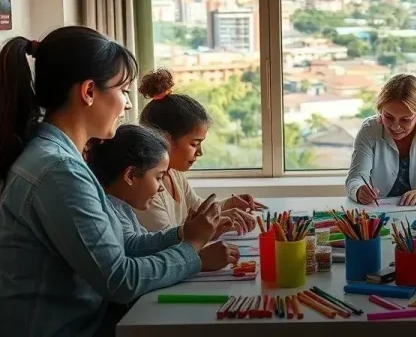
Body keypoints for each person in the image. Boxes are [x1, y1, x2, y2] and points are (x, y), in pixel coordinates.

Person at [0, 27, 230, 336]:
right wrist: (193, 250)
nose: (128, 104)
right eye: (122, 90)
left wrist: (183, 234)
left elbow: (123, 246)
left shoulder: (61, 156)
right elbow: (120, 280)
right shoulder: (58, 169)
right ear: (89, 92)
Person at [85, 123, 241, 261]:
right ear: (130, 175)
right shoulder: (109, 210)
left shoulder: (121, 207)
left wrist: (185, 232)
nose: (161, 187)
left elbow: (139, 243)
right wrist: (196, 258)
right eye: (158, 177)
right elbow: (134, 250)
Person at [135, 68, 263, 233]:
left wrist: (229, 205)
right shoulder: (148, 187)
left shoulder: (174, 173)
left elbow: (196, 208)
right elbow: (166, 240)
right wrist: (214, 229)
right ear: (166, 140)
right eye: (194, 144)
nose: (199, 152)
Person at [346, 74, 416, 206]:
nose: (395, 127)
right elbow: (355, 179)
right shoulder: (370, 129)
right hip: (378, 210)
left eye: (405, 120)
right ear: (380, 110)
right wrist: (358, 190)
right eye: (388, 117)